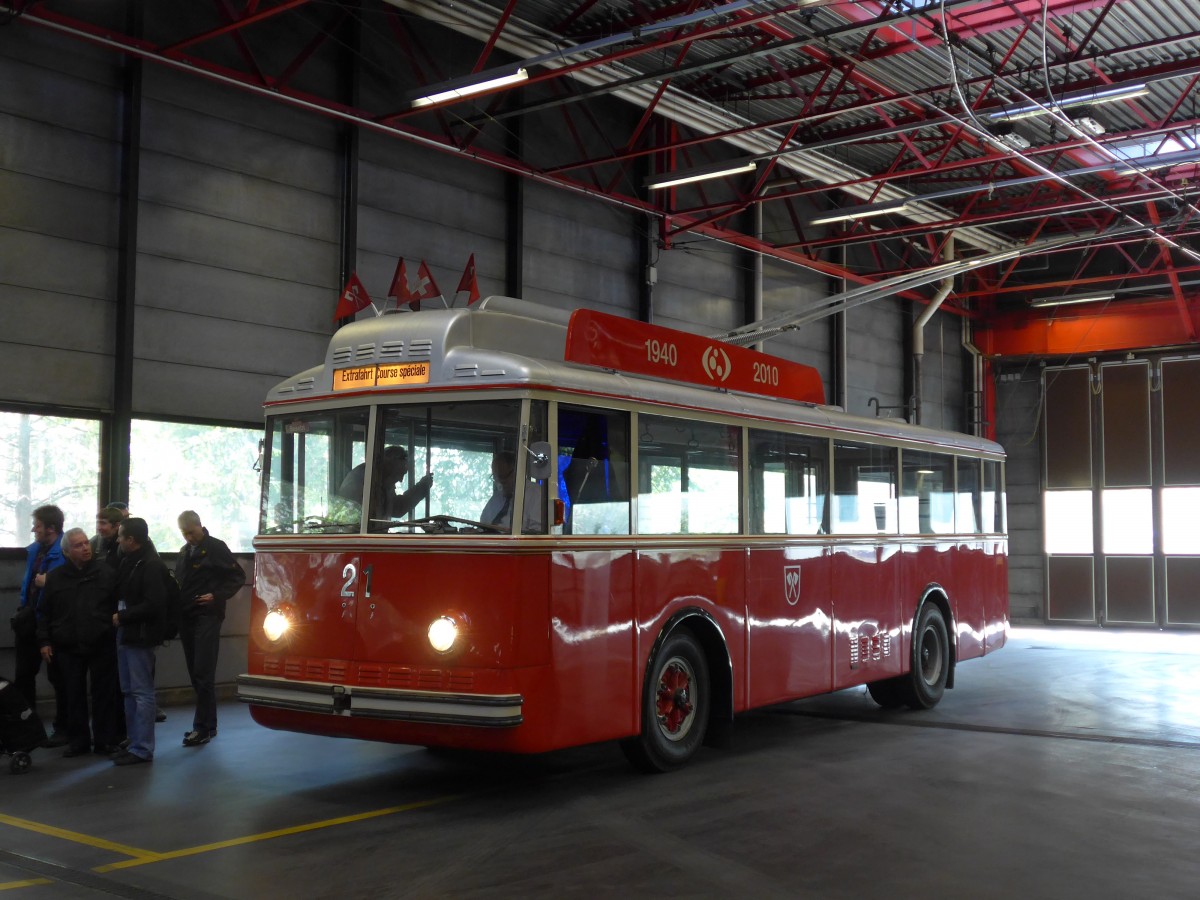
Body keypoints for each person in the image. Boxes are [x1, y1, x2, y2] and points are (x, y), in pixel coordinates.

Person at [37, 527, 122, 757]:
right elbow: (44, 612)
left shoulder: (107, 573)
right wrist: (44, 640)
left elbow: (118, 606)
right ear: (66, 552)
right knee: (73, 695)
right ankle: (79, 741)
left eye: (86, 543)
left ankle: (105, 740)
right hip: (67, 645)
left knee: (104, 694)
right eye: (78, 545)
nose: (85, 547)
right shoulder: (55, 578)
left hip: (101, 642)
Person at [175, 510, 246, 747]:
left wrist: (216, 596)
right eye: (185, 534)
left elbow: (237, 576)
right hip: (187, 616)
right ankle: (210, 723)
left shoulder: (215, 547)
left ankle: (202, 728)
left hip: (207, 616)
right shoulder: (185, 552)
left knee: (203, 672)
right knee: (196, 673)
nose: (189, 538)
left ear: (200, 526)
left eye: (192, 533)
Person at [111, 517, 167, 765]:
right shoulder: (129, 561)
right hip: (127, 631)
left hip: (139, 634)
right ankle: (134, 743)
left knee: (141, 691)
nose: (117, 539)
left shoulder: (151, 566)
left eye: (121, 536)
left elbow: (154, 605)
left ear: (131, 540)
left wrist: (123, 616)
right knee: (128, 690)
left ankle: (142, 747)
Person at [12, 504, 69, 747]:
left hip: (53, 624)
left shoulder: (65, 553)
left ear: (51, 528)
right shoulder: (35, 551)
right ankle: (27, 728)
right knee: (24, 676)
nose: (33, 529)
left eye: (37, 525)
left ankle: (64, 728)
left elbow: (66, 589)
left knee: (60, 678)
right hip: (29, 620)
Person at [337, 445, 433, 522]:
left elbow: (396, 507)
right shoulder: (367, 480)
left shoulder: (378, 477)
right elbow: (394, 509)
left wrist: (422, 487)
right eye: (400, 474)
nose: (400, 480)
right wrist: (422, 487)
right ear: (390, 463)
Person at [479, 452, 545, 533]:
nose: (499, 484)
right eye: (496, 478)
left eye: (502, 477)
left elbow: (537, 535)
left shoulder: (536, 494)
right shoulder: (496, 498)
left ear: (516, 472)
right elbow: (483, 525)